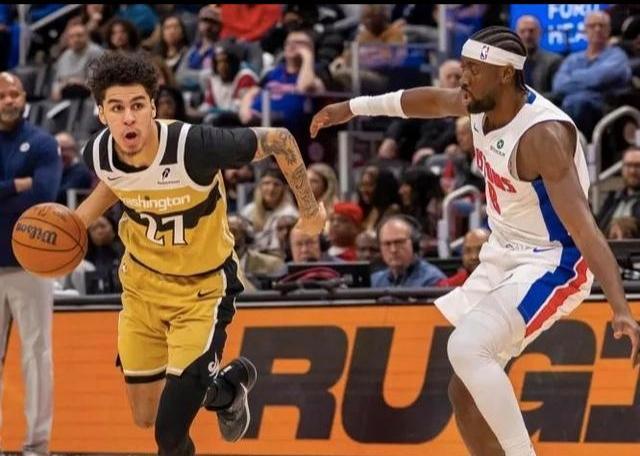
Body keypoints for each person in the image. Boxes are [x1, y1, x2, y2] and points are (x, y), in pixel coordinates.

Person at [310, 25, 640, 456]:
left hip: (553, 262)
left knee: (466, 347)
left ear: (505, 74)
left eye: (473, 70)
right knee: (464, 395)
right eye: (463, 67)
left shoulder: (542, 136)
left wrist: (620, 307)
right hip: (503, 253)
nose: (462, 78)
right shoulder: (480, 102)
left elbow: (585, 228)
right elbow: (427, 101)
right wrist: (353, 108)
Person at [75, 52, 326, 455]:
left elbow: (280, 139)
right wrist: (76, 222)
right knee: (146, 415)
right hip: (141, 288)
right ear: (101, 113)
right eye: (116, 108)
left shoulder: (194, 146)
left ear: (153, 107)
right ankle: (226, 389)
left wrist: (310, 211)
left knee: (168, 435)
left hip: (202, 292)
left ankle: (203, 386)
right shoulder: (99, 153)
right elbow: (118, 181)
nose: (128, 118)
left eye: (137, 105)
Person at [0, 72, 62, 456]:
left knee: (37, 356)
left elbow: (43, 195)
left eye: (14, 93)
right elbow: (25, 191)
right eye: (2, 95)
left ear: (24, 97)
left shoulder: (41, 142)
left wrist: (20, 189)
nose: (9, 100)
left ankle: (37, 445)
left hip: (31, 264)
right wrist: (14, 186)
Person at [371, 215, 445, 288]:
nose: (393, 250)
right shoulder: (375, 281)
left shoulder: (432, 280)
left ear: (414, 243)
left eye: (399, 242)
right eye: (387, 244)